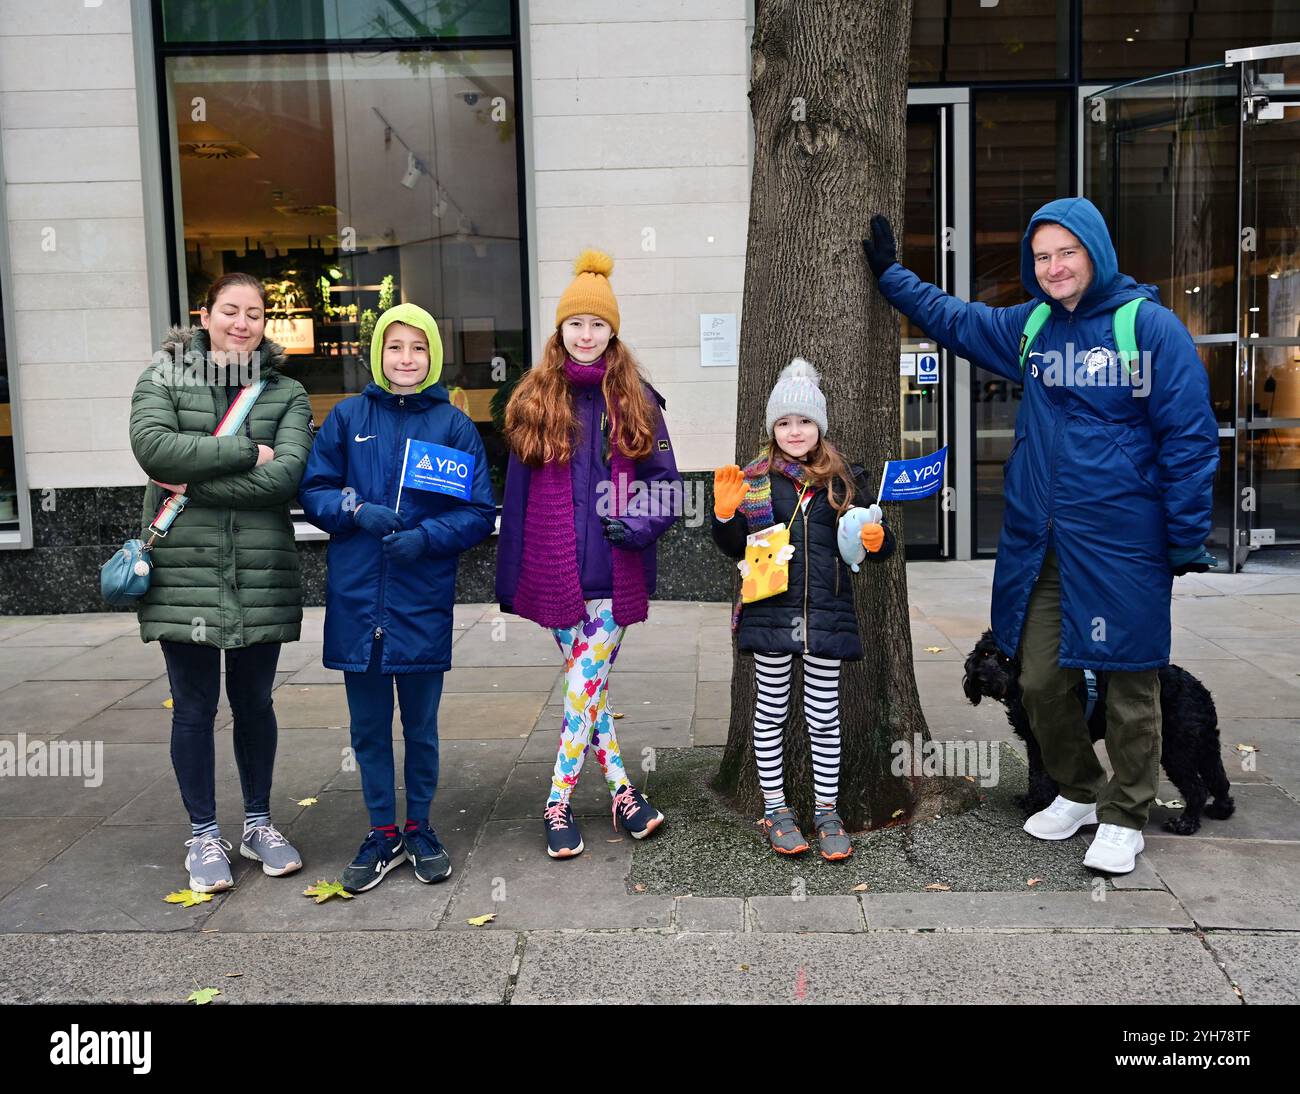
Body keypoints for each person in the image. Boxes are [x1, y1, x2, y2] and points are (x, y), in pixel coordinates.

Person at [863, 197, 1219, 874]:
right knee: (1039, 677)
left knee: (1128, 685)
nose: (1054, 267)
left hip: (1123, 543)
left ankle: (1125, 814)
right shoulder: (1032, 327)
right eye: (1043, 256)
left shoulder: (1147, 328)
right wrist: (892, 277)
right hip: (1043, 542)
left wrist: (1184, 536)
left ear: (1096, 253)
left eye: (1067, 252)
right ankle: (1081, 791)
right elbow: (956, 320)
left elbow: (1191, 438)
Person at [299, 303, 495, 893]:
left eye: (417, 348)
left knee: (422, 726)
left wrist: (426, 538)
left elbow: (478, 512)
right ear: (377, 353)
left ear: (432, 355)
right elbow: (314, 490)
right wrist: (353, 510)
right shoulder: (346, 417)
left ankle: (420, 828)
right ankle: (381, 832)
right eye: (394, 347)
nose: (405, 359)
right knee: (366, 728)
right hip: (358, 600)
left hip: (420, 600)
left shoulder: (453, 425)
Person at [129, 271, 313, 893]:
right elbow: (154, 449)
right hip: (185, 572)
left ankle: (258, 823)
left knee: (256, 704)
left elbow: (284, 479)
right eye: (230, 310)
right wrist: (243, 453)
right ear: (203, 315)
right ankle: (202, 833)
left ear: (265, 323)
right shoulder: (164, 377)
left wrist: (194, 477)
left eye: (255, 313)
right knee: (194, 707)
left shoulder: (285, 393)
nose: (242, 323)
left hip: (261, 572)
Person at [496, 250, 681, 859]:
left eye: (597, 325)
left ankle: (557, 804)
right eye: (576, 323)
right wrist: (512, 577)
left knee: (582, 686)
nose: (585, 334)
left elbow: (667, 484)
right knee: (591, 689)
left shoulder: (637, 400)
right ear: (560, 330)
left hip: (612, 570)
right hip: (553, 573)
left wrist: (636, 523)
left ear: (613, 332)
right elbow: (517, 498)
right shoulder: (532, 400)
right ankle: (626, 795)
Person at [711, 358, 894, 860]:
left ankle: (827, 811)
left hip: (828, 614)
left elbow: (873, 538)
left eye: (805, 421)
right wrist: (725, 514)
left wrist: (880, 539)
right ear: (772, 428)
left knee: (824, 716)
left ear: (820, 427)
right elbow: (733, 546)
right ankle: (777, 809)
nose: (795, 431)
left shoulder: (844, 480)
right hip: (771, 611)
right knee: (769, 713)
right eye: (785, 423)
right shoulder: (755, 480)